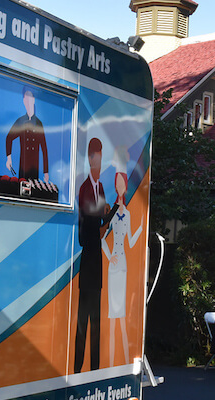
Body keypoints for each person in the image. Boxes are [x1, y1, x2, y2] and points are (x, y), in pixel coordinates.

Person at [74, 138, 117, 373]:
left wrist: (106, 213)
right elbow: (86, 230)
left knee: (96, 321)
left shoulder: (99, 188)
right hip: (89, 257)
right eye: (97, 158)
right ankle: (78, 369)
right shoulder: (85, 188)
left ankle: (95, 370)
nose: (99, 164)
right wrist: (101, 227)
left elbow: (98, 217)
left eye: (102, 158)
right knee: (83, 321)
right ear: (91, 159)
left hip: (96, 260)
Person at [101, 170, 143, 366]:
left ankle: (125, 361)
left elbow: (132, 242)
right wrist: (110, 257)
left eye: (121, 183)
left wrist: (141, 227)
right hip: (114, 265)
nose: (119, 186)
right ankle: (109, 363)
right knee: (112, 313)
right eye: (116, 183)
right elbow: (101, 238)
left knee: (122, 313)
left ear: (125, 186)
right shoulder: (111, 211)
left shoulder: (127, 213)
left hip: (123, 264)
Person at [6, 86, 49, 182]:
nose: (28, 101)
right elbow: (9, 137)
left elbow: (44, 149)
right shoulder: (20, 121)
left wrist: (45, 172)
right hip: (23, 166)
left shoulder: (38, 123)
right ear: (23, 101)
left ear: (34, 100)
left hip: (35, 167)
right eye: (25, 98)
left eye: (30, 97)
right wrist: (9, 158)